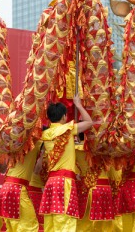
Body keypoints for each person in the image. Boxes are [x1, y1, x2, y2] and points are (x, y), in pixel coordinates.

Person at [39, 94, 93, 231]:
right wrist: (79, 105)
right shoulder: (67, 130)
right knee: (65, 222)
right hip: (64, 183)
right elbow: (89, 122)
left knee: (51, 222)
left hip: (51, 182)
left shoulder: (45, 135)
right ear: (64, 117)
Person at [0, 140, 43, 232]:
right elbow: (37, 170)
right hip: (17, 189)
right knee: (29, 226)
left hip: (6, 188)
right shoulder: (38, 141)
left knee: (12, 228)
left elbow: (1, 169)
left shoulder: (14, 142)